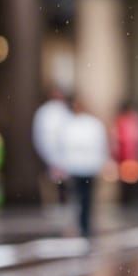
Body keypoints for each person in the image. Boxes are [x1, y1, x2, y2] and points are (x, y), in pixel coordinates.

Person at [57, 96, 109, 240]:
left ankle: (83, 224)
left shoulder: (77, 125)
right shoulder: (78, 125)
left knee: (83, 198)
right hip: (80, 167)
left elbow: (100, 146)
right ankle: (82, 224)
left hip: (83, 167)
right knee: (83, 198)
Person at [31, 85, 70, 205]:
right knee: (51, 181)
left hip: (64, 153)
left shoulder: (65, 110)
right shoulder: (45, 112)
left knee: (63, 181)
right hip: (47, 152)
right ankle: (51, 203)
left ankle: (63, 202)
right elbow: (41, 133)